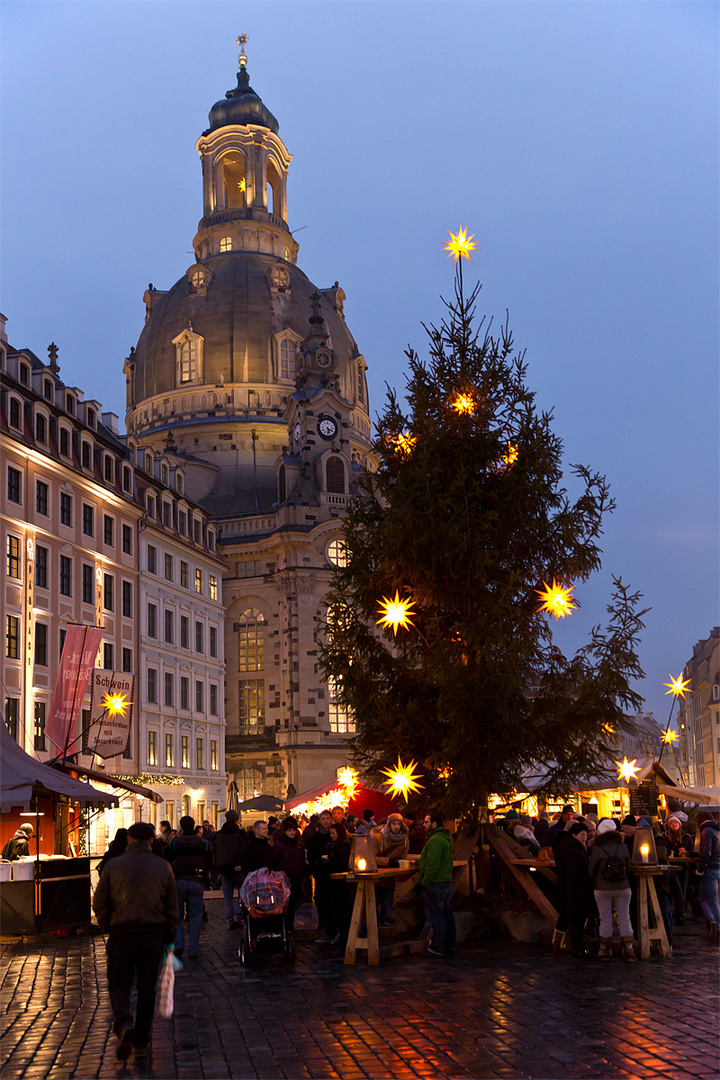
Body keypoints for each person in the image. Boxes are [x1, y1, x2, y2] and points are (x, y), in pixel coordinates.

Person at [93, 821, 178, 1062]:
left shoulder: (113, 865)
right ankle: (141, 1038)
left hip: (122, 931)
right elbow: (172, 906)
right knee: (146, 987)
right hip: (153, 933)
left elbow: (99, 902)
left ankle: (123, 1022)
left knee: (119, 983)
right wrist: (170, 936)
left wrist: (108, 925)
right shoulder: (163, 867)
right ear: (152, 840)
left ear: (129, 840)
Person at [164, 816, 212, 959]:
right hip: (197, 880)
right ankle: (193, 949)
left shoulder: (174, 843)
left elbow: (165, 855)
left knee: (177, 915)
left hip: (178, 880)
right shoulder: (205, 844)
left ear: (181, 827)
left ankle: (179, 944)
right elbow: (210, 862)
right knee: (196, 916)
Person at [588, 818, 635, 962]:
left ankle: (604, 949)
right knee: (624, 917)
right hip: (622, 887)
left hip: (602, 888)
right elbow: (628, 867)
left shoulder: (597, 848)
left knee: (605, 918)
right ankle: (628, 948)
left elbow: (591, 870)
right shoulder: (622, 847)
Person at [554, 820, 595, 958]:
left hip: (568, 888)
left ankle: (560, 943)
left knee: (567, 915)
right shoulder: (573, 851)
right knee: (577, 917)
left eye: (586, 834)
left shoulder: (570, 847)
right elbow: (576, 872)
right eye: (582, 834)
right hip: (575, 889)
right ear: (574, 835)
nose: (585, 837)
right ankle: (577, 947)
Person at [418, 812, 456, 957]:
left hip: (435, 883)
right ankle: (450, 945)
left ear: (434, 824)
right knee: (447, 914)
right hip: (444, 881)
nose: (424, 825)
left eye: (426, 822)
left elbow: (433, 863)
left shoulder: (434, 840)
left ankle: (438, 946)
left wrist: (425, 880)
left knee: (436, 915)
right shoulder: (445, 839)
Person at [372, 812, 410, 925]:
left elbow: (403, 855)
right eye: (394, 824)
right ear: (389, 825)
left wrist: (400, 863)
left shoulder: (404, 838)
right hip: (376, 874)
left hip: (389, 876)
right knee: (373, 904)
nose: (397, 826)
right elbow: (372, 857)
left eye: (399, 824)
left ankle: (380, 924)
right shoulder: (377, 837)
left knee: (388, 906)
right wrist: (388, 861)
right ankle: (369, 927)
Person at [270, 817, 307, 931]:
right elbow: (275, 861)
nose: (292, 832)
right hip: (283, 879)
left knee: (295, 902)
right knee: (285, 904)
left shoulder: (299, 845)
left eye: (293, 830)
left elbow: (301, 860)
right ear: (285, 831)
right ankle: (284, 927)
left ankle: (288, 927)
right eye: (289, 830)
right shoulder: (280, 845)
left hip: (296, 878)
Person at [214, 810, 246, 930]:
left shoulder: (218, 834)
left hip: (223, 868)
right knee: (242, 893)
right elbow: (244, 850)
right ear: (237, 819)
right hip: (238, 868)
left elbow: (215, 850)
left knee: (227, 896)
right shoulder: (240, 834)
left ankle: (230, 919)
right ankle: (238, 915)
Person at [308, 810, 336, 942]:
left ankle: (332, 927)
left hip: (334, 872)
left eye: (327, 819)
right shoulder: (316, 837)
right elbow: (311, 855)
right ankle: (323, 923)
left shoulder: (335, 835)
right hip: (320, 872)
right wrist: (315, 869)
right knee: (320, 899)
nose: (326, 821)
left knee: (332, 901)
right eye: (323, 819)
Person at [697, 808, 720, 943]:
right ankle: (710, 920)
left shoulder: (707, 831)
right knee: (706, 899)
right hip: (717, 868)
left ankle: (717, 926)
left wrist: (700, 869)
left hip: (710, 869)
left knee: (712, 900)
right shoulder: (717, 830)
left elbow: (706, 852)